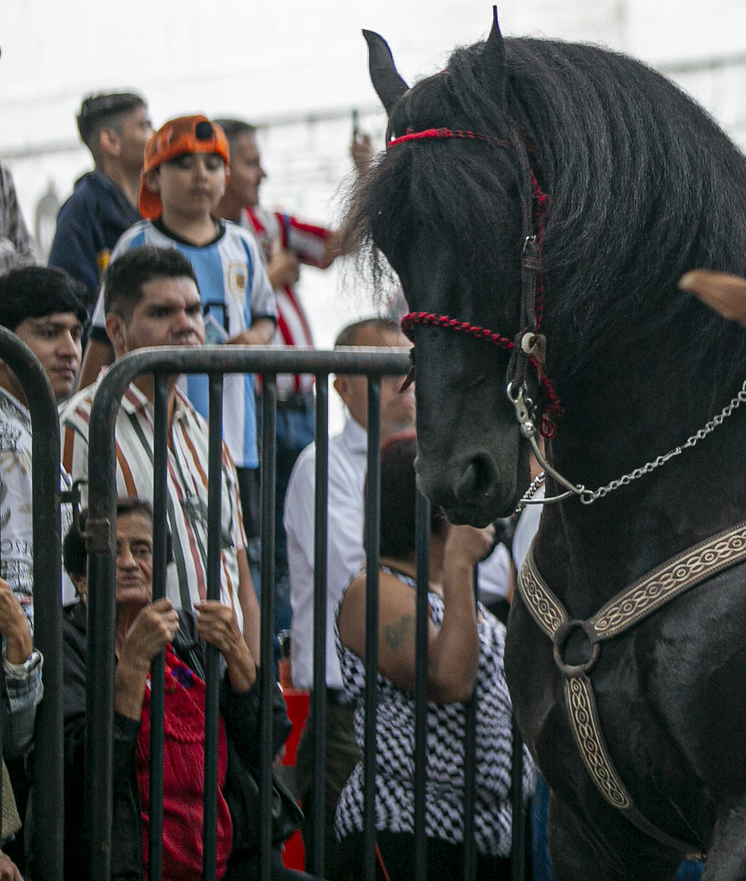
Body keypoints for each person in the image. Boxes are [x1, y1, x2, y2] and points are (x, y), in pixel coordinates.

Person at [281, 318, 511, 865]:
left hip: (476, 823)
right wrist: (456, 565)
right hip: (350, 722)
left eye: (409, 368)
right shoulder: (323, 466)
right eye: (383, 371)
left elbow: (502, 568)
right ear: (341, 384)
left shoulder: (444, 460)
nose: (403, 383)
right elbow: (357, 565)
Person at [60, 499, 308, 881]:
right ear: (80, 577)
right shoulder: (67, 643)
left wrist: (239, 656)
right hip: (130, 867)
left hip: (229, 863)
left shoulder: (186, 632)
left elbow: (266, 740)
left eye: (141, 551)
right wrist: (132, 665)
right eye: (113, 551)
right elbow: (84, 773)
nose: (128, 562)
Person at [332, 434, 515, 881]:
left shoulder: (451, 593)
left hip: (482, 836)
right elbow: (450, 679)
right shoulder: (372, 590)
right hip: (408, 830)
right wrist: (458, 564)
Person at [60, 247, 260, 644]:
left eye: (193, 310)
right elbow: (68, 578)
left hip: (219, 684)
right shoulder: (79, 426)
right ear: (115, 330)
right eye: (162, 312)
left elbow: (241, 585)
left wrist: (252, 689)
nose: (186, 325)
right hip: (137, 685)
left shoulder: (206, 435)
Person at [82, 118, 277, 499]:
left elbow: (265, 315)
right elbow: (103, 337)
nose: (200, 176)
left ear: (226, 174)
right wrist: (88, 408)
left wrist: (248, 341)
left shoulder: (243, 245)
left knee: (234, 541)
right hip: (152, 436)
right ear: (152, 179)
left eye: (212, 164)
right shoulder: (134, 243)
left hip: (234, 437)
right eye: (184, 164)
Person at [213, 120, 347, 560]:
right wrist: (270, 278)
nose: (262, 174)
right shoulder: (204, 237)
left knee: (310, 525)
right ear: (222, 169)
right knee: (263, 533)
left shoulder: (269, 223)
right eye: (251, 163)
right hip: (254, 406)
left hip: (302, 404)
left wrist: (367, 174)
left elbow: (333, 248)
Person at [0, 265, 88, 610]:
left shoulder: (29, 425)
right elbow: (20, 590)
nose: (70, 349)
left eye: (77, 333)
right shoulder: (8, 437)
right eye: (50, 332)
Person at [49, 92, 152, 303]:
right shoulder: (80, 211)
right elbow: (70, 301)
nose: (155, 136)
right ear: (111, 141)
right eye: (144, 126)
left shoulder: (153, 207)